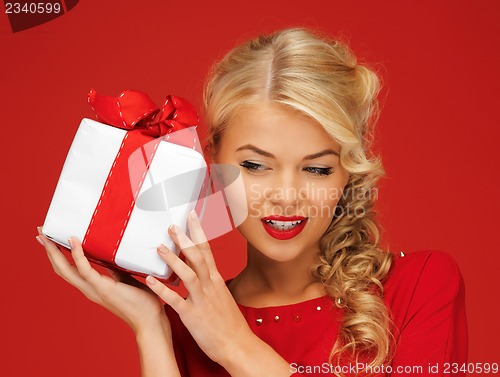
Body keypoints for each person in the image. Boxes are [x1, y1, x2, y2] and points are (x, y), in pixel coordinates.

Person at [36, 28, 467, 376]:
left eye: (316, 169)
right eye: (257, 166)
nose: (286, 196)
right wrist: (150, 327)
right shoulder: (187, 323)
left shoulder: (419, 288)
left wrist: (237, 348)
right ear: (213, 163)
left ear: (348, 173)